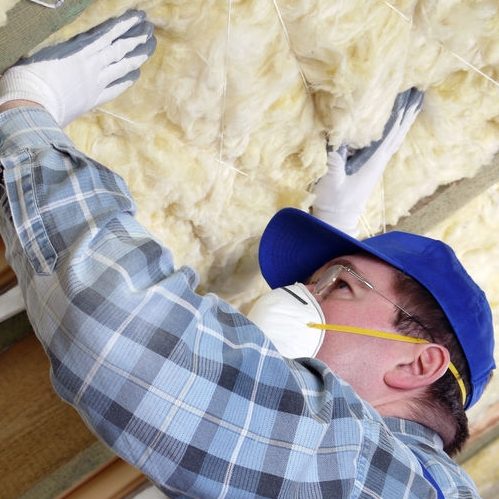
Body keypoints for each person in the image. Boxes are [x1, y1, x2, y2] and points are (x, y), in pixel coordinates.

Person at [0, 10, 494, 498]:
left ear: (417, 366)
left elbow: (122, 330)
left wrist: (24, 111)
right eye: (311, 283)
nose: (296, 295)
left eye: (337, 285)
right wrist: (340, 230)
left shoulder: (371, 478)